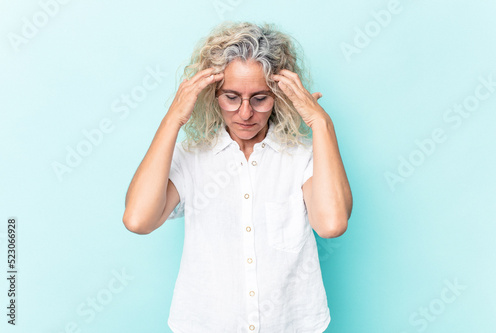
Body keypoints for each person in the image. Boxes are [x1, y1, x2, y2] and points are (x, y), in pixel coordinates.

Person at [123, 21, 353, 333]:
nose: (245, 113)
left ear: (279, 95)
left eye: (260, 98)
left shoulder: (302, 157)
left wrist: (320, 122)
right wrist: (174, 118)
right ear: (212, 95)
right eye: (231, 97)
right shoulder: (191, 156)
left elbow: (332, 224)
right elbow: (138, 220)